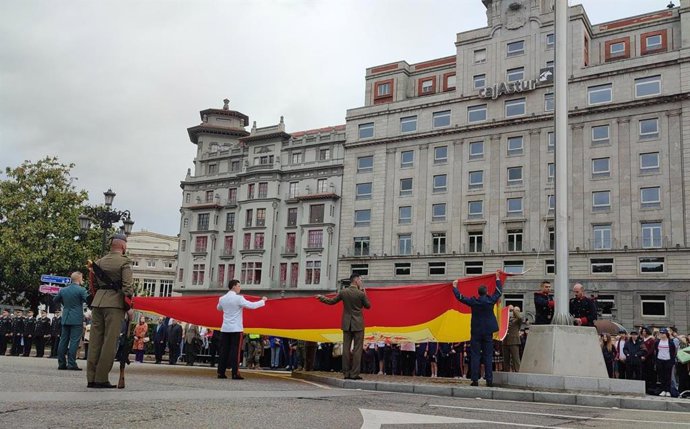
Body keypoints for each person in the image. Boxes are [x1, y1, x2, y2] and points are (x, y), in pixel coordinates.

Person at [86, 233, 134, 388]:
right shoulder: (124, 262)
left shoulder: (99, 262)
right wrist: (129, 307)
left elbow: (92, 285)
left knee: (95, 341)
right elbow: (127, 287)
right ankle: (101, 378)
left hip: (98, 302)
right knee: (110, 342)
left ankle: (91, 377)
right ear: (123, 246)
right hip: (114, 304)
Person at [316, 273, 371, 380]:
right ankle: (355, 373)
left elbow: (331, 302)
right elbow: (368, 306)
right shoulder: (361, 293)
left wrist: (322, 298)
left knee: (346, 348)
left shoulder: (343, 292)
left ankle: (346, 373)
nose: (361, 281)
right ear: (356, 281)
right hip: (358, 323)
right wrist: (363, 291)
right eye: (360, 280)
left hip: (346, 323)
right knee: (357, 349)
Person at [453, 270, 503, 387]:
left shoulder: (473, 301)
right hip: (488, 332)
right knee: (488, 356)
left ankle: (474, 380)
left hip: (476, 331)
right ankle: (489, 380)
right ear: (486, 292)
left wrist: (454, 287)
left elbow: (460, 297)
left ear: (478, 293)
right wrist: (497, 278)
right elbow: (499, 291)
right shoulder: (490, 300)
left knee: (475, 356)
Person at [216, 279, 267, 379]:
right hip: (236, 328)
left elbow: (219, 308)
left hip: (225, 328)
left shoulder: (222, 298)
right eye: (239, 286)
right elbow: (252, 306)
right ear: (234, 286)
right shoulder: (238, 298)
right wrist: (263, 301)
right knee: (235, 351)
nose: (240, 288)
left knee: (224, 351)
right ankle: (235, 373)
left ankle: (220, 372)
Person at [54, 271, 89, 371]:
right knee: (74, 341)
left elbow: (55, 300)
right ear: (79, 278)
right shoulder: (81, 290)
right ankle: (71, 363)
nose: (82, 280)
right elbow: (88, 300)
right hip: (76, 318)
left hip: (65, 317)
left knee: (63, 340)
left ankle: (61, 363)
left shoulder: (63, 290)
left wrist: (65, 304)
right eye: (82, 278)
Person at [656, 328, 677, 397]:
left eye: (663, 333)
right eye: (661, 333)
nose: (662, 335)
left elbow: (673, 352)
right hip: (660, 359)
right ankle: (663, 390)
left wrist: (672, 361)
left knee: (668, 376)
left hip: (668, 360)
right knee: (661, 376)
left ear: (666, 334)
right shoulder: (657, 342)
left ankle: (668, 390)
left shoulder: (670, 342)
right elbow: (656, 350)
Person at [502, 305, 522, 372]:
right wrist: (507, 309)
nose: (513, 312)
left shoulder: (518, 320)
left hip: (514, 341)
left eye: (516, 311)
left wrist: (513, 309)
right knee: (506, 359)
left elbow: (519, 317)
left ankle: (517, 371)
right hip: (505, 341)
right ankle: (506, 371)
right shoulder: (508, 318)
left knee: (515, 359)